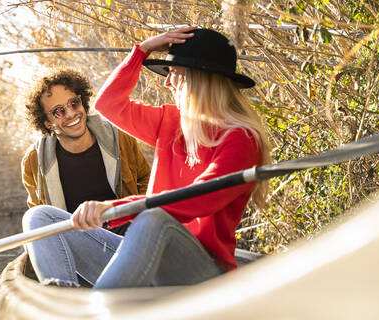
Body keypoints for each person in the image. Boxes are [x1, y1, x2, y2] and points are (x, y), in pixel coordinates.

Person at [23, 27, 271, 289]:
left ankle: (97, 310)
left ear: (195, 79)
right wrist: (142, 50)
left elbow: (198, 199)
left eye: (173, 74)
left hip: (201, 272)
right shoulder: (171, 123)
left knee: (154, 218)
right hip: (149, 254)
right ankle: (59, 300)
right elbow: (108, 105)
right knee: (40, 218)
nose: (166, 82)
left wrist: (113, 208)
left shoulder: (242, 138)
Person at [21, 69, 151, 237]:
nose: (70, 113)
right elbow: (40, 217)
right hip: (77, 240)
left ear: (82, 102)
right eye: (58, 111)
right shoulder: (34, 160)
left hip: (127, 231)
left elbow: (146, 180)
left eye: (73, 103)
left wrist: (137, 217)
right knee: (35, 217)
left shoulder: (119, 136)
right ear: (46, 123)